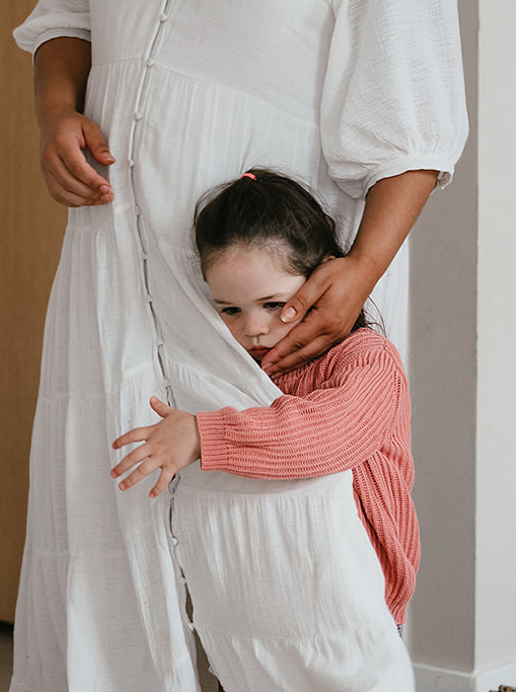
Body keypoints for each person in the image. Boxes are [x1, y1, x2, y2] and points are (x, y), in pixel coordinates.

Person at [11, 0, 466, 691]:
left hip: (267, 297)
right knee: (100, 549)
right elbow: (67, 12)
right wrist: (56, 112)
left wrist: (357, 277)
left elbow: (418, 122)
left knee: (300, 588)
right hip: (113, 263)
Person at [111, 170, 418, 631]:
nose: (253, 328)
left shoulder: (367, 361)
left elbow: (327, 438)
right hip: (263, 593)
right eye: (231, 310)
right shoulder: (236, 369)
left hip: (354, 597)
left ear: (322, 280)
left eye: (274, 304)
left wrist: (203, 432)